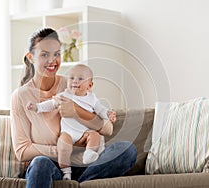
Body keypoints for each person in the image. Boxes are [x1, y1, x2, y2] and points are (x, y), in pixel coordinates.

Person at [10, 27, 137, 188]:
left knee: (126, 149)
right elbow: (22, 151)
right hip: (52, 166)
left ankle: (80, 183)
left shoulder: (73, 81)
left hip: (87, 165)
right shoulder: (20, 96)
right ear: (31, 57)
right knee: (40, 163)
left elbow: (107, 129)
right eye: (44, 54)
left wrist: (77, 111)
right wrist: (65, 149)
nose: (52, 61)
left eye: (56, 54)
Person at [26, 64, 117, 180]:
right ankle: (66, 172)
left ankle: (89, 154)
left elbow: (101, 110)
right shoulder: (64, 95)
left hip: (85, 132)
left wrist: (109, 114)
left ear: (89, 85)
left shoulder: (92, 99)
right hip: (68, 133)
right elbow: (50, 104)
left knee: (95, 136)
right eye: (72, 78)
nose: (75, 81)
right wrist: (37, 107)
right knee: (63, 144)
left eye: (80, 79)